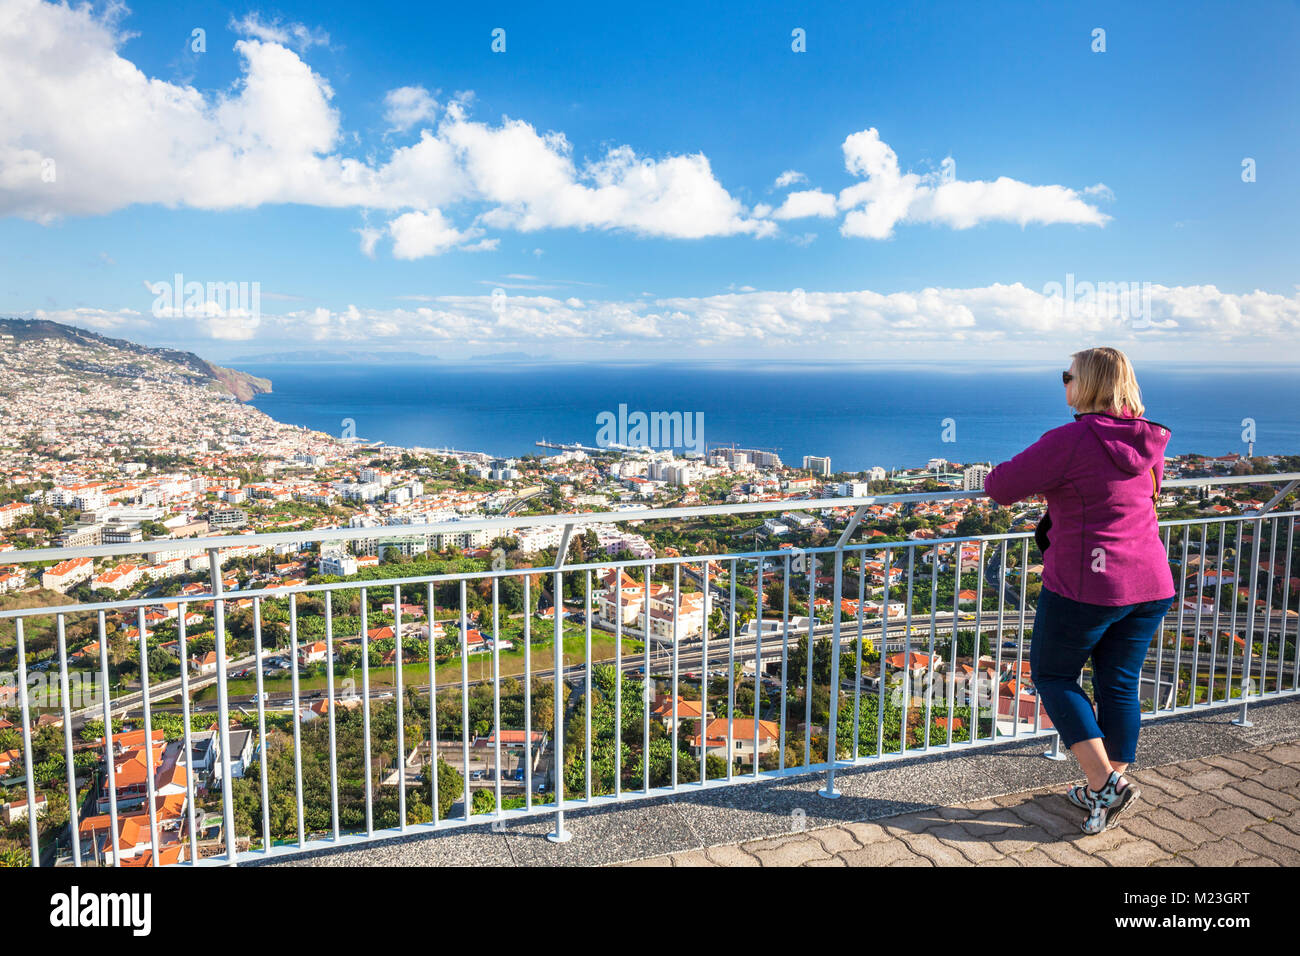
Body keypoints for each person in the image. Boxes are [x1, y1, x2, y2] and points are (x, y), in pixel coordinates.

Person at [984, 347, 1176, 835]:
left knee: (1052, 676)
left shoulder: (1070, 440)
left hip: (1089, 585)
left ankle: (1106, 784)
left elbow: (1001, 486)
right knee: (1118, 684)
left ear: (1086, 384)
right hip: (1150, 581)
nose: (1063, 382)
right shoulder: (1149, 438)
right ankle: (1103, 792)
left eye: (1067, 376)